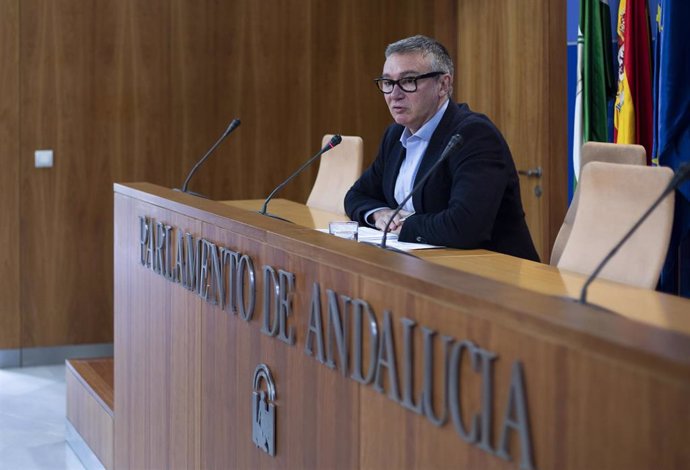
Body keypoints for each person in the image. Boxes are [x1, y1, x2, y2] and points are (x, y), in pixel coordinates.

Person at [344, 35, 539, 261]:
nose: (394, 94)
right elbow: (356, 195)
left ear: (443, 85)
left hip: (493, 276)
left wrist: (402, 224)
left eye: (408, 81)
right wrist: (380, 214)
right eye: (388, 83)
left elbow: (466, 226)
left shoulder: (473, 135)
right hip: (423, 265)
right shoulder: (395, 135)